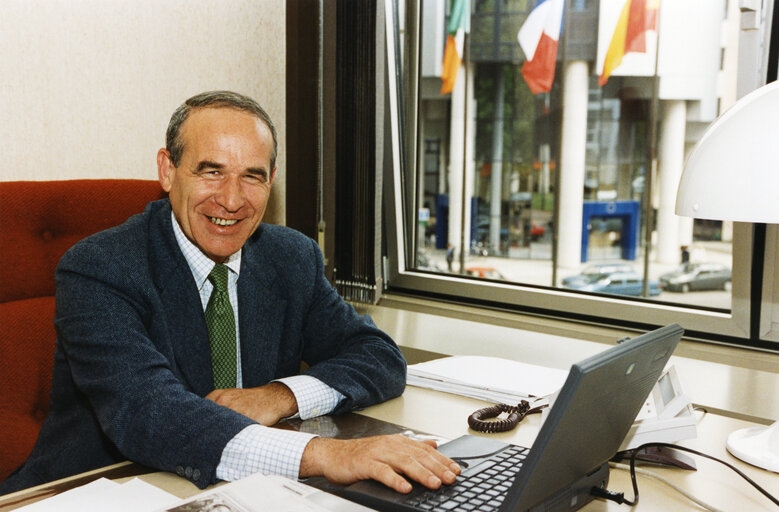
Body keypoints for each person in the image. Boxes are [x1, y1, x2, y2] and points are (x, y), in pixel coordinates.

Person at [0, 91, 459, 496]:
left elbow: (378, 356)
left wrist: (280, 396)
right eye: (211, 171)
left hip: (250, 487)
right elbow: (148, 410)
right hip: (106, 487)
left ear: (271, 179)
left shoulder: (291, 256)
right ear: (167, 169)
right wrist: (323, 455)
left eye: (252, 176)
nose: (233, 199)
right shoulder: (100, 267)